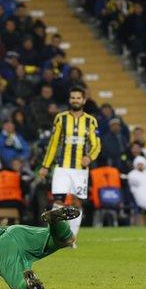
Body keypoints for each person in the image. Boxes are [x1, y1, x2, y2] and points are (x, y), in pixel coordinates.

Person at [39, 87, 100, 239]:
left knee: (77, 203)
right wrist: (45, 166)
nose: (75, 100)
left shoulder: (90, 121)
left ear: (83, 100)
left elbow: (97, 145)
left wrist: (90, 157)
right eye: (73, 97)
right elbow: (53, 144)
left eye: (78, 98)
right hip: (62, 167)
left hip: (80, 169)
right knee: (58, 200)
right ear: (69, 100)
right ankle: (54, 236)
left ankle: (71, 238)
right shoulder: (61, 118)